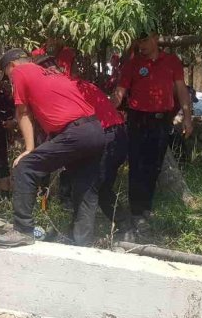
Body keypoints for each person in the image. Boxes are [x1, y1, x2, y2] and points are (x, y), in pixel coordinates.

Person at [0, 49, 105, 247]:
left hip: (75, 133)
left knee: (25, 167)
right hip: (95, 130)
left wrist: (29, 148)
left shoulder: (20, 71)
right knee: (85, 189)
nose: (9, 79)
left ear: (11, 66)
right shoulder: (49, 72)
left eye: (6, 75)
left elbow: (23, 112)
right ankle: (82, 243)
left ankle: (23, 230)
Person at [35, 55, 134, 240]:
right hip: (115, 136)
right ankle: (123, 227)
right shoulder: (74, 83)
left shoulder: (61, 89)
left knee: (86, 188)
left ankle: (81, 243)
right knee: (98, 187)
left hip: (106, 136)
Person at [112, 32, 194, 231]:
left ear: (156, 38)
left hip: (161, 121)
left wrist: (188, 118)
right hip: (137, 120)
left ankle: (146, 207)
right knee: (137, 167)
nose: (142, 45)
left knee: (154, 166)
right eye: (139, 41)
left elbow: (181, 90)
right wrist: (106, 112)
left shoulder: (172, 62)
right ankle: (136, 212)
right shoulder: (132, 64)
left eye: (146, 39)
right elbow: (120, 93)